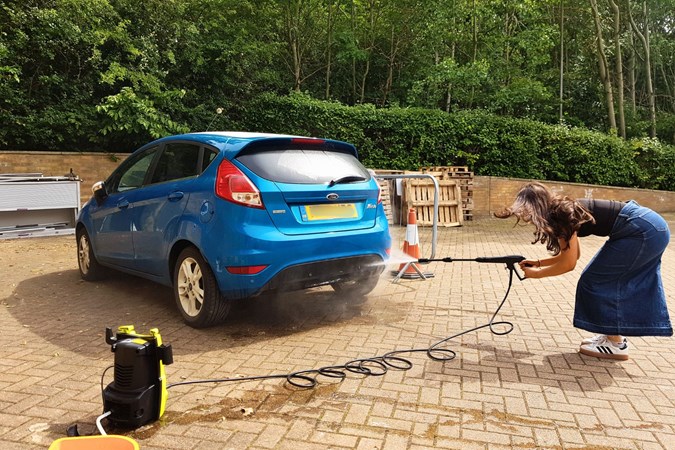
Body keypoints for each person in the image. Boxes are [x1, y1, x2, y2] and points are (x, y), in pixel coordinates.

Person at [496, 182, 672, 360]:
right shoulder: (561, 211)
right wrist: (540, 262)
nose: (525, 215)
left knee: (595, 281)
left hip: (642, 230)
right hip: (649, 225)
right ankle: (611, 336)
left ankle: (616, 344)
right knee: (599, 279)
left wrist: (536, 274)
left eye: (526, 209)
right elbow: (574, 255)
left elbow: (569, 264)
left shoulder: (560, 216)